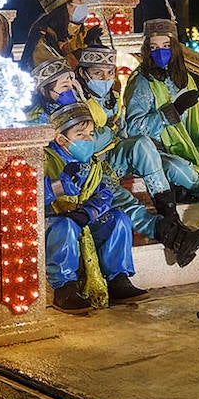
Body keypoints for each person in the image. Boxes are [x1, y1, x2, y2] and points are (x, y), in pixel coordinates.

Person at [74, 24, 199, 266]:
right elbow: (89, 143)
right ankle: (177, 237)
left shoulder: (112, 98)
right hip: (89, 169)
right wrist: (171, 112)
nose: (106, 80)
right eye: (98, 74)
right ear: (84, 74)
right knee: (130, 202)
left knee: (141, 146)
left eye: (110, 73)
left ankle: (172, 220)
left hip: (119, 158)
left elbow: (129, 133)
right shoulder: (79, 102)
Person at [42, 101, 148, 312]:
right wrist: (59, 186)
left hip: (84, 217)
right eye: (80, 135)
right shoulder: (43, 159)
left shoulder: (92, 163)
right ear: (61, 139)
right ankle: (64, 288)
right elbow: (31, 193)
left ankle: (118, 279)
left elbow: (104, 193)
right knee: (66, 226)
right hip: (51, 221)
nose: (88, 140)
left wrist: (88, 211)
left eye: (91, 134)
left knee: (118, 219)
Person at [121, 17, 199, 200]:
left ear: (174, 48)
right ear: (147, 50)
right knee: (178, 169)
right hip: (155, 152)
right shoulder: (142, 81)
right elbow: (134, 128)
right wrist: (172, 112)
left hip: (189, 148)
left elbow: (192, 127)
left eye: (165, 46)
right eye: (154, 48)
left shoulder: (185, 79)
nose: (160, 52)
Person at [19, 0, 87, 71]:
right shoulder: (43, 34)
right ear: (65, 5)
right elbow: (54, 71)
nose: (84, 4)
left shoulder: (82, 30)